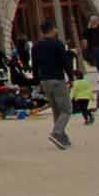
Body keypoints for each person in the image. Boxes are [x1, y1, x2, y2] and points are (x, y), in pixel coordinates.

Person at [30, 19, 74, 150]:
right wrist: (71, 76)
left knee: (56, 109)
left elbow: (35, 65)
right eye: (55, 28)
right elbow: (65, 62)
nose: (56, 30)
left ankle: (62, 137)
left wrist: (37, 81)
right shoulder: (57, 44)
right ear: (51, 29)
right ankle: (57, 132)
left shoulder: (36, 46)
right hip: (56, 79)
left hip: (45, 81)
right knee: (66, 109)